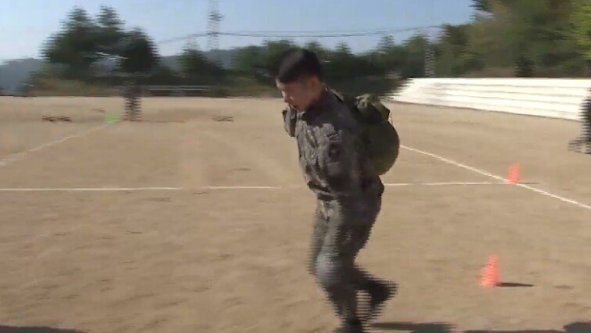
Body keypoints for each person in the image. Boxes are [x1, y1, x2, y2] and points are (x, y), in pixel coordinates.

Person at [275, 48, 396, 333]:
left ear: (314, 84)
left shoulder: (336, 132)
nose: (285, 99)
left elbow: (348, 198)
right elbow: (293, 127)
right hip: (328, 198)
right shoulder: (307, 105)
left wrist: (342, 234)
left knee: (328, 270)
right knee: (316, 265)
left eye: (289, 92)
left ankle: (351, 323)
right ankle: (375, 289)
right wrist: (292, 105)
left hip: (354, 203)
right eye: (281, 92)